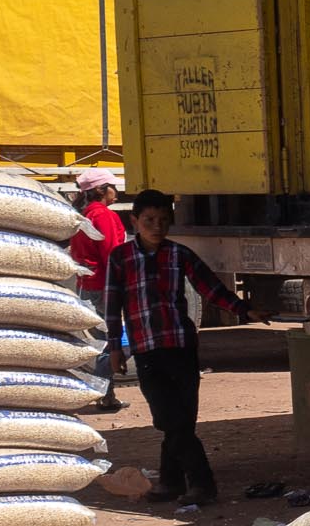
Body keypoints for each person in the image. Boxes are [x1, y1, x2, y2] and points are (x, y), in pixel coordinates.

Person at [98, 188, 243, 506]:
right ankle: (203, 483)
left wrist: (244, 310)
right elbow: (112, 305)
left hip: (181, 347)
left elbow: (211, 288)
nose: (157, 226)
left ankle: (170, 482)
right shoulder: (120, 258)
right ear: (135, 221)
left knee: (182, 419)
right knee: (168, 418)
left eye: (163, 220)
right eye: (149, 220)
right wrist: (115, 347)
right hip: (147, 351)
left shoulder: (180, 255)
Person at [68, 168, 127, 411]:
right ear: (102, 190)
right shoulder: (103, 216)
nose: (117, 190)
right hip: (105, 286)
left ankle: (106, 394)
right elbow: (112, 255)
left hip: (89, 285)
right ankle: (101, 391)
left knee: (104, 340)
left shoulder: (83, 215)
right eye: (112, 186)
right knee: (113, 341)